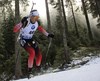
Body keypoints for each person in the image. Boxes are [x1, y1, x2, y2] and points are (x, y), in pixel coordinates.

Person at [15, 10, 54, 78]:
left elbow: (41, 29)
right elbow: (15, 29)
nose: (37, 18)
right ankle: (30, 72)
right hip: (24, 40)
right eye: (35, 17)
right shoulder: (26, 22)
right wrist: (21, 23)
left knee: (39, 55)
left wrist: (48, 35)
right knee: (32, 53)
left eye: (38, 17)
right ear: (31, 16)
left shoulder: (37, 23)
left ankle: (39, 70)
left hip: (30, 39)